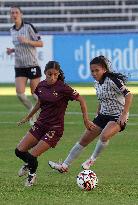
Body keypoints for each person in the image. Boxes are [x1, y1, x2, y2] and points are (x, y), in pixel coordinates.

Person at [48, 55, 133, 173]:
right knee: (83, 140)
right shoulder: (96, 83)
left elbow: (128, 95)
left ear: (104, 69)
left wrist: (124, 114)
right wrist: (98, 113)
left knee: (104, 136)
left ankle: (92, 160)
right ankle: (64, 165)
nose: (94, 73)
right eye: (92, 71)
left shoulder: (113, 80)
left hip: (117, 115)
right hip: (103, 115)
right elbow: (102, 99)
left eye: (96, 70)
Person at [15, 60, 93, 187]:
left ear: (58, 74)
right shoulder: (40, 85)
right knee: (19, 151)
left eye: (55, 75)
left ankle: (32, 175)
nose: (52, 77)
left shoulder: (63, 88)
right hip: (40, 125)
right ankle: (29, 164)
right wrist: (28, 117)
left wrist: (86, 120)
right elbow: (39, 103)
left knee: (33, 154)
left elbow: (81, 100)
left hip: (54, 129)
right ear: (45, 73)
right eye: (49, 74)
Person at [7, 6, 43, 125]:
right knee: (20, 94)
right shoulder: (12, 30)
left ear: (21, 14)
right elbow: (19, 46)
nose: (14, 15)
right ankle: (32, 111)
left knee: (34, 93)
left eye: (16, 12)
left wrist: (27, 41)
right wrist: (12, 50)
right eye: (12, 13)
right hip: (19, 66)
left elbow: (40, 43)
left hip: (31, 64)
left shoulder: (28, 27)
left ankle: (46, 113)